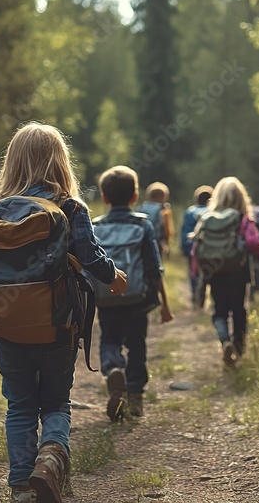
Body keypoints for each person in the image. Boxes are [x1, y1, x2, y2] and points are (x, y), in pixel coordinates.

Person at [0, 123, 128, 503]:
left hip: (8, 326)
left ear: (11, 163)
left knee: (19, 405)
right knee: (55, 402)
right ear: (60, 161)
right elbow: (91, 259)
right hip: (58, 325)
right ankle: (49, 460)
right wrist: (115, 277)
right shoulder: (70, 207)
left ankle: (20, 487)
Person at [94, 165, 174, 422]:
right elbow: (154, 265)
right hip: (138, 298)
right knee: (137, 344)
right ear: (135, 197)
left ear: (104, 198)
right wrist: (163, 303)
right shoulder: (143, 225)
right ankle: (136, 397)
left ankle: (113, 367)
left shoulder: (95, 226)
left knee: (109, 339)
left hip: (107, 297)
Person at [191, 177, 259, 367]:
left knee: (219, 310)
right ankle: (239, 349)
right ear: (242, 197)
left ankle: (225, 340)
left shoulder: (207, 217)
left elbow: (195, 248)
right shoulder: (244, 219)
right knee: (238, 309)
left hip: (214, 271)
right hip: (238, 271)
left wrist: (197, 271)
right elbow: (252, 243)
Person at [181, 185, 213, 307]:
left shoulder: (189, 211)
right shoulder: (212, 212)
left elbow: (184, 231)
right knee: (207, 271)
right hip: (209, 248)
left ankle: (195, 294)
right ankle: (205, 295)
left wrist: (184, 248)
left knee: (193, 271)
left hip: (191, 248)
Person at [138, 181, 174, 256]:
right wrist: (166, 242)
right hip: (156, 241)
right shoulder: (163, 210)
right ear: (164, 196)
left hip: (140, 239)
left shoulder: (142, 207)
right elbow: (167, 230)